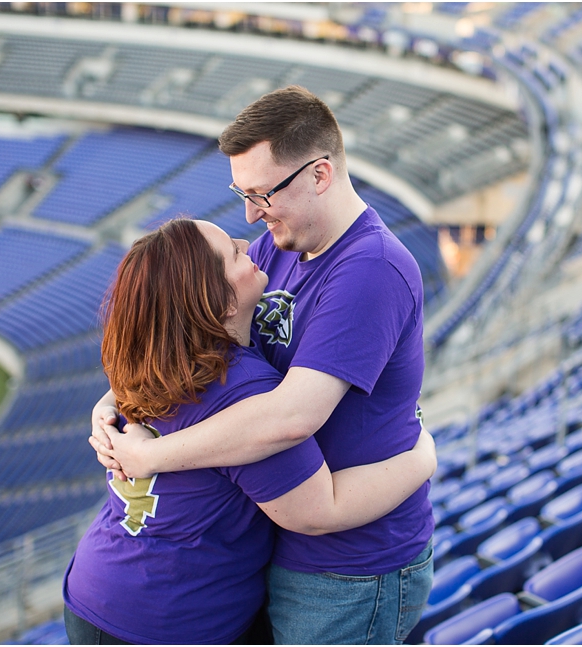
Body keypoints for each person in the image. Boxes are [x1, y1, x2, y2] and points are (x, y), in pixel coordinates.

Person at [89, 86, 433, 644]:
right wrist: (109, 404)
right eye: (241, 193)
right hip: (287, 545)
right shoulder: (281, 243)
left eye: (262, 193)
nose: (250, 214)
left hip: (349, 566)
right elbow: (190, 333)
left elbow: (290, 418)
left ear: (319, 175)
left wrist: (151, 454)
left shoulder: (371, 268)